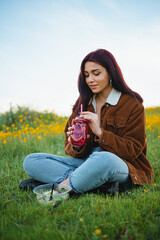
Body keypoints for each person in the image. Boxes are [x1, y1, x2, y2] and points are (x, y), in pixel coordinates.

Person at [19, 49, 154, 195]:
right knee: (31, 161)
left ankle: (61, 188)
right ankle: (96, 184)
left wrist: (100, 132)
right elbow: (71, 150)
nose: (90, 80)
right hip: (85, 163)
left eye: (96, 73)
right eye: (86, 75)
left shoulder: (132, 104)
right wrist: (76, 143)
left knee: (103, 159)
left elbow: (133, 149)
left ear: (111, 73)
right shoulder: (83, 103)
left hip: (121, 164)